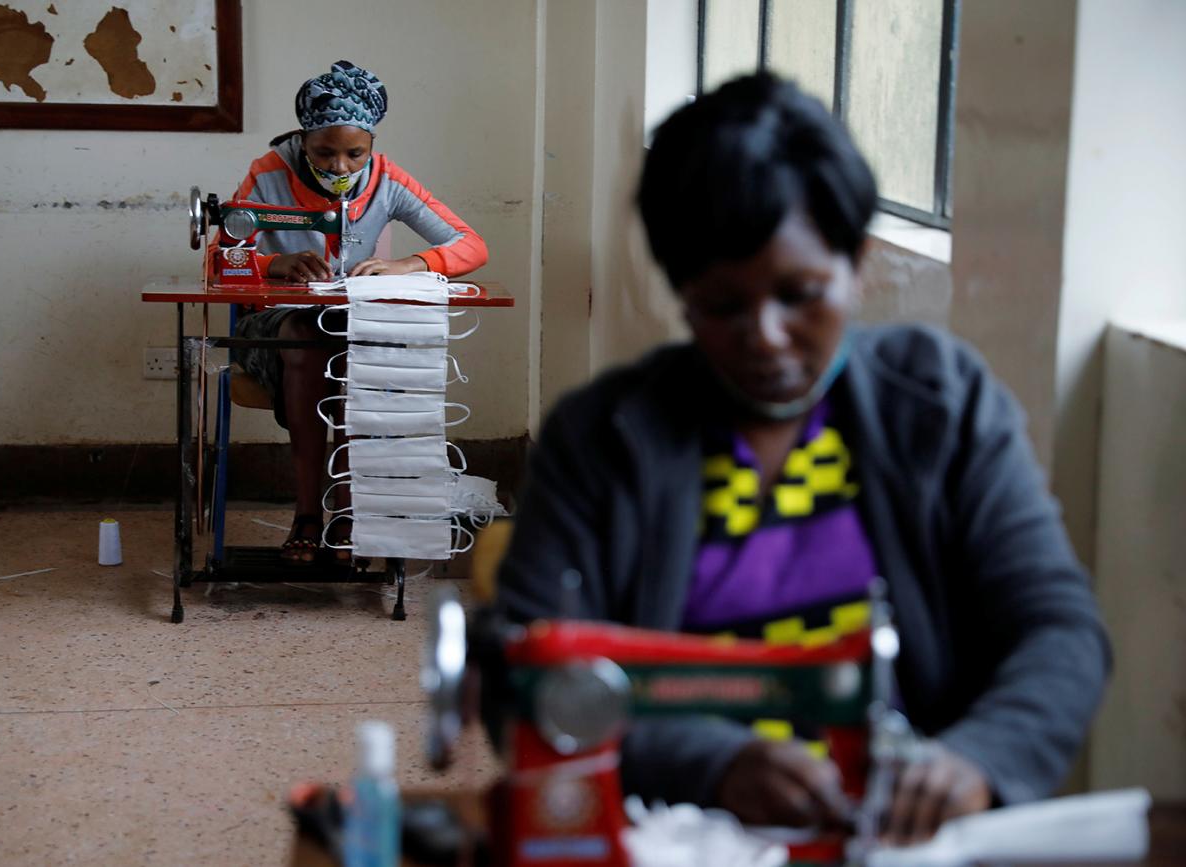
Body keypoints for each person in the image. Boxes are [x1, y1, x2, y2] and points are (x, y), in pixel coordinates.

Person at [496, 73, 1109, 845]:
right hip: (677, 838)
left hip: (905, 841)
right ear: (681, 293)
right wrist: (713, 761)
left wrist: (976, 759)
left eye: (802, 293)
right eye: (723, 306)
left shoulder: (941, 406)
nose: (768, 335)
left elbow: (1059, 631)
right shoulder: (602, 440)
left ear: (857, 262)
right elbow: (523, 674)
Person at [226, 60, 487, 563]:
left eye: (355, 154)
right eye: (325, 152)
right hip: (276, 326)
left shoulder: (387, 180)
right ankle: (309, 511)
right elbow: (223, 259)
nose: (341, 168)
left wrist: (410, 263)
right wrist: (276, 262)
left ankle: (349, 510)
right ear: (304, 141)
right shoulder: (268, 174)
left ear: (372, 145)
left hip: (353, 324)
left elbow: (472, 245)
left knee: (353, 351)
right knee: (308, 335)